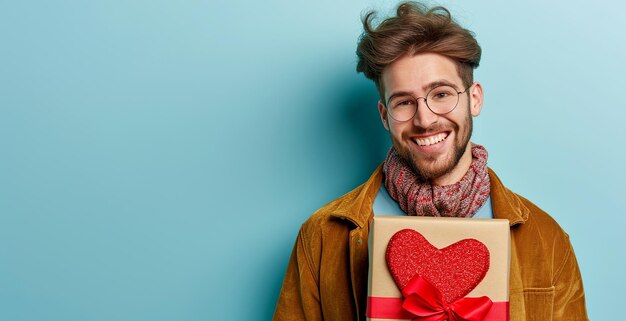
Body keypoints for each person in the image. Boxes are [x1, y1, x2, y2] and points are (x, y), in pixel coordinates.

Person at [272, 2, 588, 320]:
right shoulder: (323, 236)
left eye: (441, 94)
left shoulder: (546, 240)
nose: (424, 119)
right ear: (384, 116)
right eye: (404, 102)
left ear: (474, 98)